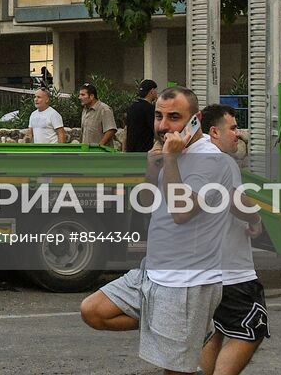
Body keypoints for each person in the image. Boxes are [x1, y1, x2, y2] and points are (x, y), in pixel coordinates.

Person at [80, 86, 251, 374]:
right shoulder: (169, 153)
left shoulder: (211, 160)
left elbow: (182, 212)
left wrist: (170, 161)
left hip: (187, 282)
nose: (162, 126)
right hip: (153, 272)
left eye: (174, 117)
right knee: (93, 310)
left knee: (174, 372)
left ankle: (188, 331)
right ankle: (189, 332)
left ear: (195, 119)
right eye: (159, 116)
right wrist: (152, 167)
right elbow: (146, 203)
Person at [198, 104, 269, 375]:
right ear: (214, 131)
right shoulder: (221, 160)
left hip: (204, 270)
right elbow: (234, 198)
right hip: (231, 272)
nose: (237, 134)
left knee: (216, 332)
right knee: (252, 329)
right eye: (233, 128)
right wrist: (255, 219)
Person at [125, 79, 160, 153]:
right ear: (152, 91)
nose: (157, 93)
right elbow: (156, 130)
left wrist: (124, 149)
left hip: (131, 150)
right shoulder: (150, 109)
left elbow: (126, 129)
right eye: (156, 91)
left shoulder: (132, 107)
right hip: (144, 151)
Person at [79, 82, 118, 147]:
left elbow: (110, 130)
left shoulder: (104, 109)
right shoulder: (85, 110)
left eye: (83, 95)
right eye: (80, 95)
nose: (79, 97)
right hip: (87, 152)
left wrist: (99, 146)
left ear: (91, 96)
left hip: (100, 154)